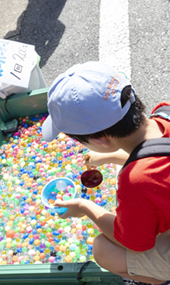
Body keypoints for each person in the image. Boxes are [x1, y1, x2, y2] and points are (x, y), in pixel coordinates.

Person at [41, 61, 170, 284]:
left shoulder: (136, 183)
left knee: (102, 249)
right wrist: (110, 157)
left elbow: (133, 242)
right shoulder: (164, 112)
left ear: (99, 139)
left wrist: (85, 207)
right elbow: (157, 164)